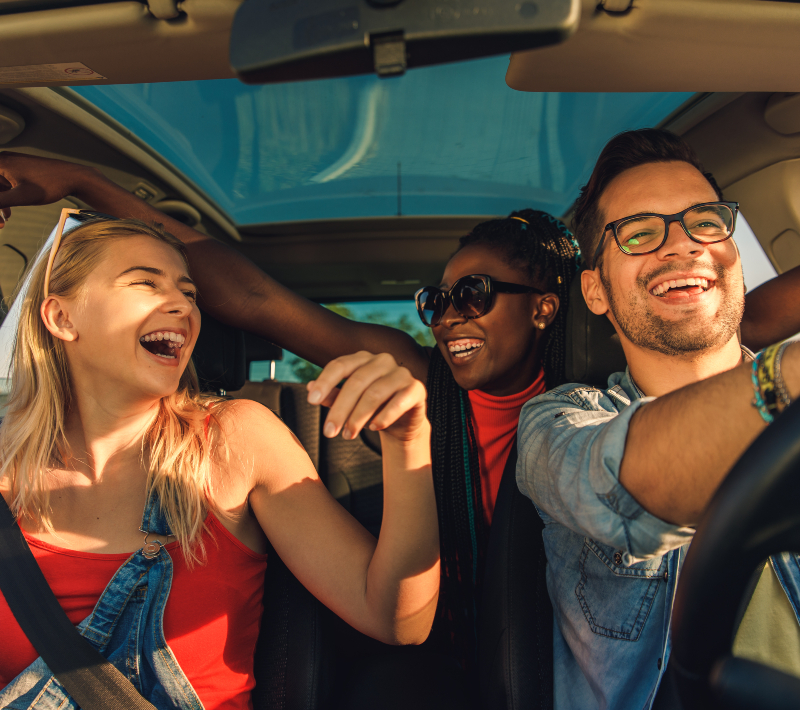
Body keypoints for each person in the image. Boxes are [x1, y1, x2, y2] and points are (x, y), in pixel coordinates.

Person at [0, 151, 798, 669]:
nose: (449, 316)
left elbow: (734, 317)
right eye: (436, 299)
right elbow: (252, 297)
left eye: (475, 295)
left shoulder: (590, 391)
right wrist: (84, 187)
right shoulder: (450, 389)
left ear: (550, 308)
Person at [0, 213, 439, 709]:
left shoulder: (235, 439)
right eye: (144, 282)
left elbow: (398, 619)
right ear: (61, 318)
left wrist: (409, 441)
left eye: (189, 293)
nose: (182, 306)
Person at [516, 128, 800, 710]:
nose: (684, 247)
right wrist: (785, 381)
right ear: (594, 292)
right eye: (640, 233)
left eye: (705, 222)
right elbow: (621, 483)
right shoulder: (558, 424)